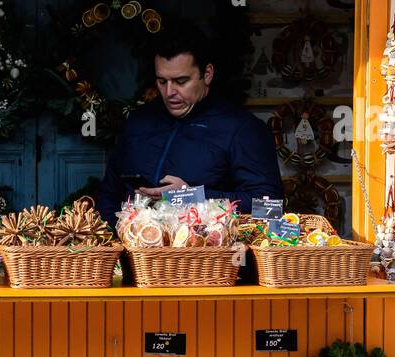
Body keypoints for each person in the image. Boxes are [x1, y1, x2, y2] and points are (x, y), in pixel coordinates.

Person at [94, 21, 284, 224]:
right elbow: (108, 195)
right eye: (162, 81)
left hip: (202, 254)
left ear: (207, 74)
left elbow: (271, 209)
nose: (169, 93)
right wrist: (116, 240)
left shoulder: (242, 128)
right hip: (136, 252)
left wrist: (192, 198)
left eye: (181, 81)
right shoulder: (139, 122)